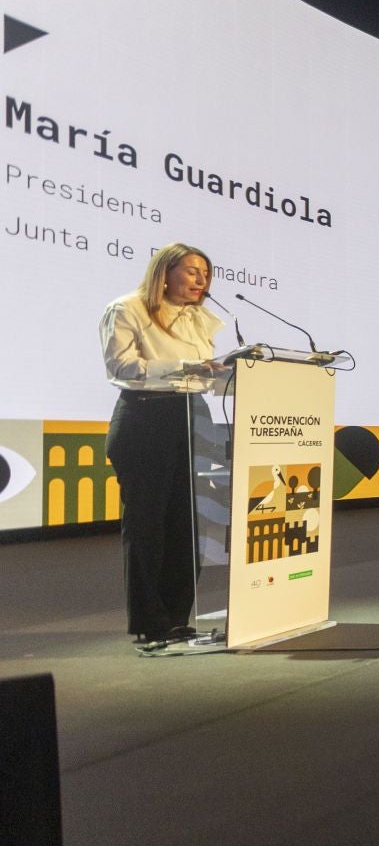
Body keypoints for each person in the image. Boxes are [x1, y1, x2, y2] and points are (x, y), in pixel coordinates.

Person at [101, 243, 231, 653]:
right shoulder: (127, 309)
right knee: (148, 526)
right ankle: (149, 621)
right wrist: (184, 368)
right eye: (192, 271)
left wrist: (232, 374)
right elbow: (120, 367)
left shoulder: (200, 321)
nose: (201, 280)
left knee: (188, 527)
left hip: (192, 417)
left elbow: (204, 379)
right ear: (164, 272)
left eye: (205, 274)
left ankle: (177, 619)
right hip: (146, 419)